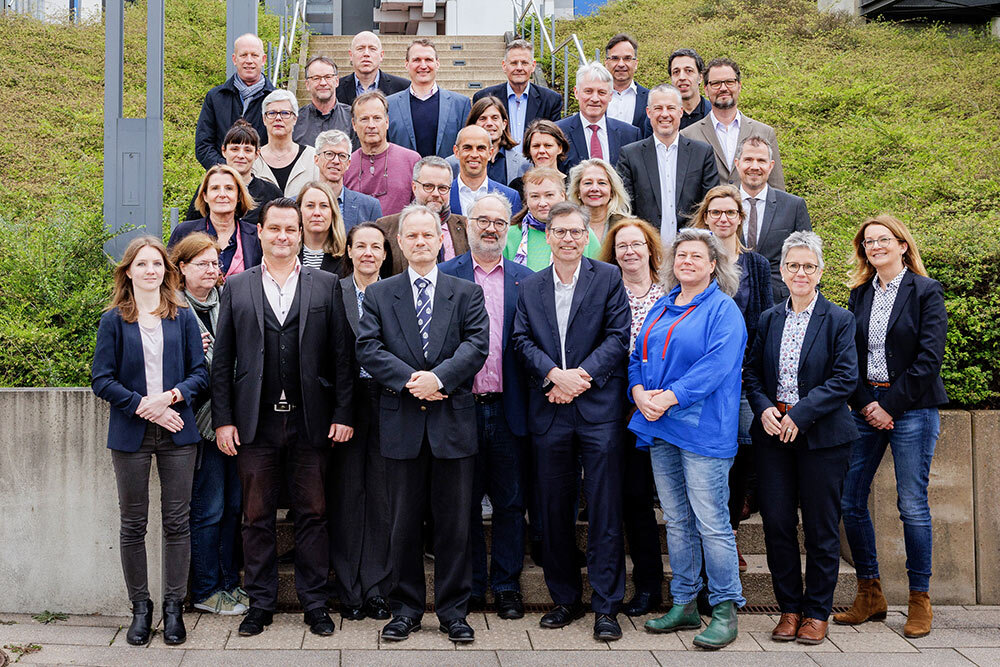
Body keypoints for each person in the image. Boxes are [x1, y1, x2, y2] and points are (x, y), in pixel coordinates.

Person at [211, 199, 354, 638]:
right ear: (261, 232)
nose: (283, 236)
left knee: (313, 512)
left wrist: (344, 412)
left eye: (291, 229)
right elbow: (223, 362)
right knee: (256, 516)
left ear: (300, 233)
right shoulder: (237, 287)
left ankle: (315, 603)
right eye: (275, 228)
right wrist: (223, 420)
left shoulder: (327, 285)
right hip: (255, 423)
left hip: (312, 420)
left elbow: (342, 357)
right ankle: (261, 602)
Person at [355, 203, 490, 644]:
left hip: (453, 422)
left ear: (440, 240)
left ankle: (454, 611)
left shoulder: (466, 291)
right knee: (403, 524)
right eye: (411, 236)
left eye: (427, 236)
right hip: (402, 423)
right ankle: (406, 608)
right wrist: (414, 382)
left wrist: (440, 378)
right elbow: (369, 348)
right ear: (401, 242)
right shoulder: (379, 294)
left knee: (455, 525)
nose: (419, 242)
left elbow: (477, 345)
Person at [511, 201, 631, 641]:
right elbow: (520, 340)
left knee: (603, 509)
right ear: (548, 236)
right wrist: (552, 375)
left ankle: (606, 605)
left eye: (574, 232)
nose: (566, 239)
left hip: (597, 410)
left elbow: (619, 337)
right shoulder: (531, 285)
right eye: (558, 232)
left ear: (586, 237)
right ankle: (565, 599)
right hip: (549, 408)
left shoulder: (609, 278)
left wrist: (579, 377)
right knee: (552, 511)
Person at [629, 228, 746, 649]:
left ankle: (726, 608)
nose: (688, 262)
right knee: (677, 520)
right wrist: (640, 393)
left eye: (697, 256)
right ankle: (683, 603)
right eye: (681, 256)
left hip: (703, 431)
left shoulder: (723, 310)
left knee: (712, 523)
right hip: (661, 426)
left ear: (714, 264)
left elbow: (717, 366)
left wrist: (671, 396)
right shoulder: (661, 306)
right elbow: (637, 357)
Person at [91, 236, 209, 646]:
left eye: (157, 264)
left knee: (177, 523)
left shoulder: (182, 316)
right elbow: (101, 379)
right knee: (133, 524)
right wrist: (144, 405)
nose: (150, 271)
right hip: (131, 433)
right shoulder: (113, 320)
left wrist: (170, 398)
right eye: (141, 264)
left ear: (166, 271)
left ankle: (174, 608)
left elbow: (200, 373)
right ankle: (141, 609)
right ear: (128, 271)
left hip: (178, 430)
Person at [835, 214, 948, 639]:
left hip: (913, 410)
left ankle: (919, 600)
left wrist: (891, 406)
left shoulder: (925, 291)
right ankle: (870, 592)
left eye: (884, 239)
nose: (875, 246)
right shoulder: (859, 294)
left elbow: (928, 358)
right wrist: (867, 403)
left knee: (911, 504)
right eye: (868, 242)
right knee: (850, 500)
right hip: (867, 409)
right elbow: (849, 357)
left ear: (903, 245)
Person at [744, 231, 859, 646]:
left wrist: (802, 415)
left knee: (821, 528)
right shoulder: (769, 318)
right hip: (774, 435)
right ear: (782, 269)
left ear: (821, 272)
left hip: (824, 439)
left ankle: (816, 612)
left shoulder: (840, 320)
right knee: (776, 524)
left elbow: (845, 378)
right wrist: (764, 409)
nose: (800, 272)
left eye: (808, 266)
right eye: (793, 265)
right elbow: (752, 373)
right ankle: (789, 609)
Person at [439, 193, 533, 620]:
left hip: (510, 407)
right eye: (483, 220)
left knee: (511, 502)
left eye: (499, 221)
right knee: (463, 503)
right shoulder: (445, 275)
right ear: (468, 224)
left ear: (508, 228)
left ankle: (507, 586)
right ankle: (473, 586)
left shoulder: (527, 279)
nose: (491, 227)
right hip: (459, 407)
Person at [690, 184, 773, 569]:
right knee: (707, 452)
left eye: (730, 213)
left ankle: (730, 533)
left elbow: (766, 319)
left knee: (741, 451)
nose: (723, 219)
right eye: (715, 212)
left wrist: (754, 369)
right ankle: (706, 531)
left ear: (741, 218)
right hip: (701, 376)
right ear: (705, 217)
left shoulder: (755, 264)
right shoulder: (692, 257)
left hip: (741, 375)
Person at [169, 233, 247, 617]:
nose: (211, 270)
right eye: (202, 263)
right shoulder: (174, 312)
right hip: (198, 424)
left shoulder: (227, 302)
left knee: (234, 506)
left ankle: (230, 583)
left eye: (215, 263)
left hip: (234, 418)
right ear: (181, 268)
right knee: (209, 508)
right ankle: (205, 589)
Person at [596, 217, 667, 617]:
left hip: (665, 407)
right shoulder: (605, 291)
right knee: (635, 499)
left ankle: (703, 587)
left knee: (677, 501)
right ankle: (646, 588)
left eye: (636, 244)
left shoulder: (671, 293)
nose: (629, 251)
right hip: (618, 410)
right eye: (621, 245)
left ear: (650, 248)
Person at [328, 222, 395, 621]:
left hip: (388, 405)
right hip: (345, 408)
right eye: (360, 246)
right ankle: (348, 589)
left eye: (376, 247)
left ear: (385, 254)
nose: (368, 253)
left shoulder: (397, 293)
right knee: (347, 497)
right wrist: (340, 410)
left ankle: (376, 590)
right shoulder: (330, 293)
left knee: (383, 499)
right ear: (349, 251)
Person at [616, 84, 718, 243]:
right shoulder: (630, 155)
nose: (665, 114)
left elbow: (709, 205)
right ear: (649, 112)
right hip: (646, 248)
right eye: (658, 108)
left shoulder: (702, 153)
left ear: (680, 112)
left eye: (671, 108)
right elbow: (626, 208)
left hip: (690, 248)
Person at [681, 57, 785, 189]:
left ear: (739, 86)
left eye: (729, 82)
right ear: (706, 89)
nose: (723, 88)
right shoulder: (688, 135)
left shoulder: (765, 132)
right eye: (716, 83)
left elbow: (777, 189)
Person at [735, 135, 811, 302]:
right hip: (732, 298)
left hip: (779, 302)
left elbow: (808, 258)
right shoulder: (722, 205)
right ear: (737, 163)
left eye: (761, 161)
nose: (754, 167)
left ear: (770, 166)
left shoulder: (793, 206)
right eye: (748, 160)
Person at [377, 156, 470, 275]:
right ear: (414, 187)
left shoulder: (467, 226)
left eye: (442, 188)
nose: (436, 194)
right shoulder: (386, 227)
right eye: (428, 186)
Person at [195, 33, 275, 169]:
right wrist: (228, 169)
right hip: (223, 179)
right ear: (234, 59)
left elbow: (281, 145)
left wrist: (255, 171)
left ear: (263, 59)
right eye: (243, 55)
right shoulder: (215, 97)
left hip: (263, 180)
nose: (249, 60)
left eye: (254, 55)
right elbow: (203, 145)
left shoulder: (276, 100)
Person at [169, 164, 263, 275]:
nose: (222, 194)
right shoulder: (185, 232)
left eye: (229, 188)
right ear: (205, 196)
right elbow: (169, 277)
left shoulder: (256, 236)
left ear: (238, 196)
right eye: (215, 188)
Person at [184, 120, 283, 226]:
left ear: (257, 154)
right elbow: (191, 229)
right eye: (234, 149)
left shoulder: (271, 193)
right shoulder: (210, 188)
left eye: (247, 150)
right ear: (224, 150)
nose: (241, 155)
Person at [387, 39, 473, 158]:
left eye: (428, 60)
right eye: (416, 60)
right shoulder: (389, 105)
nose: (423, 65)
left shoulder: (461, 105)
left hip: (446, 174)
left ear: (437, 64)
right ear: (406, 64)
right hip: (404, 175)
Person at [504, 167, 600, 271]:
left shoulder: (580, 232)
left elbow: (599, 275)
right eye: (535, 196)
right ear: (526, 199)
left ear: (562, 195)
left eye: (549, 195)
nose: (542, 203)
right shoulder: (509, 234)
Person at [344, 91, 421, 216]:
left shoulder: (411, 160)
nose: (371, 125)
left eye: (377, 118)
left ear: (387, 122)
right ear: (354, 124)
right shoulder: (346, 164)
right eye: (364, 119)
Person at [472, 39, 563, 145]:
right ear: (504, 66)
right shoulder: (483, 97)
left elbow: (555, 140)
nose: (519, 68)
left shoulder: (550, 100)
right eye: (514, 63)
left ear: (533, 66)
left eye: (524, 63)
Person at [556, 63, 641, 173]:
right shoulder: (558, 133)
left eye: (602, 92)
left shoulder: (630, 135)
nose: (595, 98)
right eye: (588, 91)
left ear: (610, 96)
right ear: (576, 93)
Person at [448, 96, 531, 187]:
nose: (489, 123)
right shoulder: (452, 164)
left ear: (504, 124)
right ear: (473, 124)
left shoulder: (522, 163)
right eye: (482, 118)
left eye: (495, 118)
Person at [252, 90, 319, 198]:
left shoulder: (312, 158)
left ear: (295, 119)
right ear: (264, 119)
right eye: (272, 113)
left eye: (285, 113)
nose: (278, 118)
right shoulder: (253, 159)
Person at [314, 129, 384, 232]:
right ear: (316, 159)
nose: (336, 161)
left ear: (348, 163)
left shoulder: (369, 207)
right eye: (329, 154)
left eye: (342, 156)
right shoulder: (298, 204)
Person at [449, 125, 522, 218]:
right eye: (467, 148)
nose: (474, 154)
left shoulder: (511, 197)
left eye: (481, 148)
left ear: (490, 153)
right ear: (456, 152)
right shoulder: (443, 195)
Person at [293, 56, 358, 149]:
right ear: (307, 84)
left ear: (336, 81)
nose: (323, 83)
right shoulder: (295, 121)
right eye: (316, 78)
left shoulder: (353, 117)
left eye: (328, 77)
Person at [335, 31, 410, 106]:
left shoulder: (402, 87)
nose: (366, 54)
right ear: (351, 55)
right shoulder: (336, 88)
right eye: (360, 48)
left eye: (372, 49)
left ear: (381, 55)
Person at [567, 158, 631, 243]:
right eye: (588, 183)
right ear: (578, 191)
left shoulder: (627, 226)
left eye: (602, 183)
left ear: (612, 191)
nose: (594, 189)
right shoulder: (566, 225)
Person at [297, 181, 348, 276]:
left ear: (333, 212)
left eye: (324, 206)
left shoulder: (347, 258)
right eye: (310, 206)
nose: (317, 212)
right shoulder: (288, 255)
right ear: (299, 211)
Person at [509, 119, 570, 198]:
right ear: (529, 150)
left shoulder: (571, 185)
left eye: (548, 145)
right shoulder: (517, 186)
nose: (541, 151)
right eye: (536, 146)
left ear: (560, 148)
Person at [604, 34, 650, 135]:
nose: (621, 64)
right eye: (615, 58)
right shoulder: (595, 97)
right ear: (606, 63)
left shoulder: (650, 98)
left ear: (636, 63)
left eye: (627, 58)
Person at [669, 48, 712, 129]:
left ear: (700, 77)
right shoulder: (661, 118)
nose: (682, 77)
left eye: (688, 71)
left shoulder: (715, 114)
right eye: (676, 72)